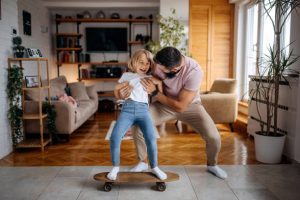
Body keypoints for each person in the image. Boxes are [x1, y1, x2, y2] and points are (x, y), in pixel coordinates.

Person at [118, 47, 228, 179]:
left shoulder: (194, 71)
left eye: (162, 69)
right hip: (163, 105)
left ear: (174, 69)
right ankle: (142, 162)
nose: (156, 69)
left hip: (190, 106)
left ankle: (212, 165)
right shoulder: (162, 61)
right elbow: (142, 74)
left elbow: (181, 106)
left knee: (214, 137)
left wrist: (154, 93)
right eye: (156, 65)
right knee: (139, 123)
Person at [107, 49, 167, 181]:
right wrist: (120, 96)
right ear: (134, 62)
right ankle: (115, 167)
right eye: (141, 63)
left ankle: (154, 167)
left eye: (147, 64)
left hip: (143, 112)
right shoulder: (127, 75)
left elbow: (160, 83)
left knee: (151, 139)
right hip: (127, 110)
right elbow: (116, 89)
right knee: (115, 137)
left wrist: (157, 95)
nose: (145, 66)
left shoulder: (150, 78)